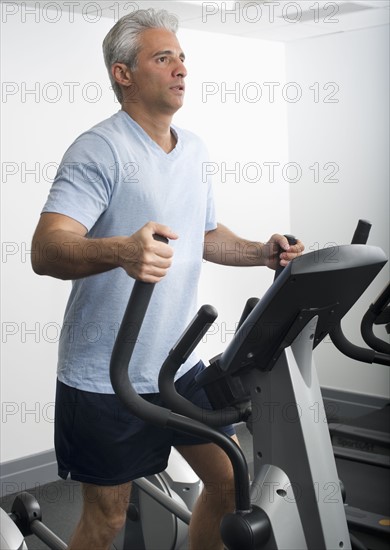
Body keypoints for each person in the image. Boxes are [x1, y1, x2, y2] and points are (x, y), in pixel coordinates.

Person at [31, 8, 304, 550]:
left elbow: (199, 235)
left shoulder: (194, 148)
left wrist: (260, 251)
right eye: (164, 58)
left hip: (176, 367)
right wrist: (122, 251)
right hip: (104, 376)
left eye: (182, 57)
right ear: (123, 74)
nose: (181, 68)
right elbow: (47, 249)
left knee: (229, 481)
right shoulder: (99, 149)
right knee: (107, 519)